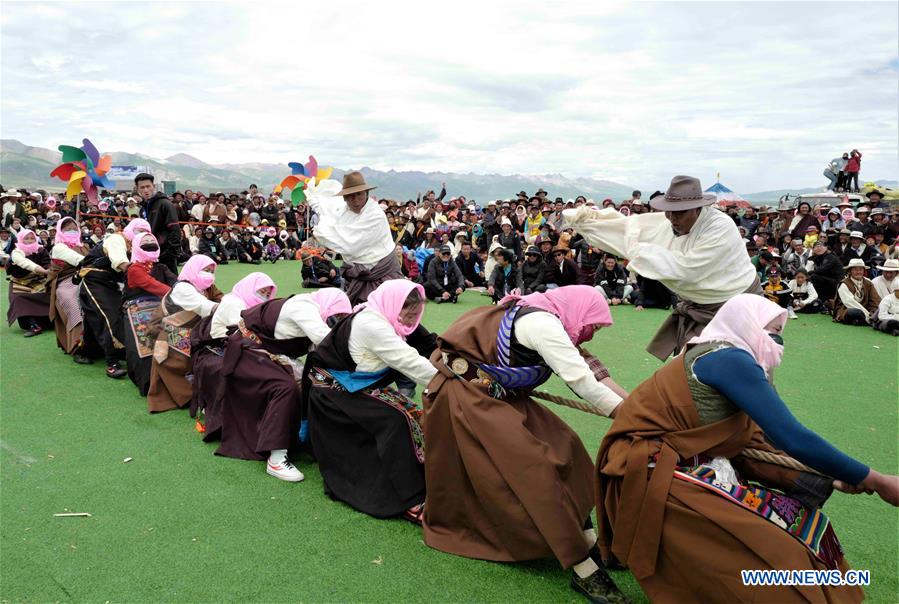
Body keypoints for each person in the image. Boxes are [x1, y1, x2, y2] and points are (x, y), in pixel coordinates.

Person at [598, 294, 898, 603]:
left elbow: (753, 441)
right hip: (652, 474)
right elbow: (791, 437)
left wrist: (829, 476)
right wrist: (877, 479)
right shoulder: (728, 359)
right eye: (770, 330)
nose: (777, 340)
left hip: (689, 465)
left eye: (781, 331)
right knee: (773, 550)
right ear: (746, 325)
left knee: (806, 526)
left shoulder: (726, 354)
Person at [422, 286, 628, 604]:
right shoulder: (543, 325)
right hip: (467, 397)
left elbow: (595, 373)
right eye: (595, 325)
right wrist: (631, 418)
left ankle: (585, 537)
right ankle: (583, 567)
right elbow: (583, 383)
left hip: (500, 397)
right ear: (580, 312)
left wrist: (639, 412)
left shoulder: (554, 319)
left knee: (566, 446)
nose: (592, 333)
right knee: (534, 469)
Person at [564, 175, 759, 360]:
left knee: (739, 371)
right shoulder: (673, 221)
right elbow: (633, 227)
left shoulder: (720, 228)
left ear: (698, 208)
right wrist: (590, 221)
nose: (673, 218)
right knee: (692, 372)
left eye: (680, 212)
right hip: (699, 305)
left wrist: (634, 249)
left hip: (736, 305)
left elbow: (685, 269)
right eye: (669, 211)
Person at [304, 280, 437, 520]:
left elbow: (425, 345)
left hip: (352, 388)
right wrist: (451, 383)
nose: (411, 321)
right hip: (333, 395)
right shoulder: (372, 324)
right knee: (397, 420)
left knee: (412, 411)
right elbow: (409, 362)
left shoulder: (384, 315)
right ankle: (410, 498)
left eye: (417, 315)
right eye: (409, 314)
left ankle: (426, 475)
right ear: (395, 306)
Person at [216, 288, 351, 480]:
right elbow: (325, 340)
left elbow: (320, 352)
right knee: (285, 387)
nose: (336, 320)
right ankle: (277, 459)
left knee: (311, 382)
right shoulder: (304, 307)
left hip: (265, 353)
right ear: (329, 305)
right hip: (247, 351)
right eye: (337, 314)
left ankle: (303, 439)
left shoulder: (313, 310)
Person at [191, 272, 277, 443]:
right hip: (221, 347)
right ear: (250, 287)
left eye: (268, 294)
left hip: (239, 344)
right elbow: (243, 333)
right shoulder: (234, 302)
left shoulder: (249, 303)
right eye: (262, 291)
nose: (265, 297)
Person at [308, 172, 402, 305]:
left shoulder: (375, 216)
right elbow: (328, 210)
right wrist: (314, 197)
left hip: (383, 271)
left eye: (359, 194)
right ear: (345, 198)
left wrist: (321, 233)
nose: (356, 200)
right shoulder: (344, 211)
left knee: (389, 310)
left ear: (366, 193)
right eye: (350, 196)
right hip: (357, 272)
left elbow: (351, 245)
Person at [146, 255, 222, 413]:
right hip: (167, 331)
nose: (209, 274)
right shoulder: (183, 288)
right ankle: (188, 394)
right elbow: (205, 306)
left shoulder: (206, 286)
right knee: (197, 344)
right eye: (205, 270)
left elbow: (220, 298)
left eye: (211, 271)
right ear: (193, 269)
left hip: (192, 329)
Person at [78, 218, 151, 378]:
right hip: (94, 280)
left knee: (99, 317)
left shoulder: (136, 245)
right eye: (139, 230)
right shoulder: (117, 239)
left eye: (146, 232)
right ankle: (112, 363)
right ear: (131, 229)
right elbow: (121, 262)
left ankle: (85, 351)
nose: (142, 234)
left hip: (113, 283)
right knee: (111, 316)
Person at [121, 232, 177, 395]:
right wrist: (178, 294)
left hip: (161, 305)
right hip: (136, 307)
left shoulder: (161, 266)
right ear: (137, 246)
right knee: (146, 342)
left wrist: (183, 288)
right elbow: (153, 285)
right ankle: (148, 382)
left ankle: (171, 379)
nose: (149, 244)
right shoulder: (134, 269)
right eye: (144, 242)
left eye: (152, 241)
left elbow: (175, 280)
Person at [47, 217, 90, 360]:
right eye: (67, 230)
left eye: (74, 229)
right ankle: (78, 348)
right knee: (74, 305)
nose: (72, 232)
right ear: (60, 231)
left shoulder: (84, 245)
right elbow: (79, 260)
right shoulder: (59, 247)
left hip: (88, 279)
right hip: (66, 283)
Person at [6, 228, 51, 337]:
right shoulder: (16, 252)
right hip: (20, 281)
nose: (30, 240)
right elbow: (24, 263)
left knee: (51, 293)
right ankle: (33, 325)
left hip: (39, 280)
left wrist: (48, 269)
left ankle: (51, 321)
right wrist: (43, 270)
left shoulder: (41, 250)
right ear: (21, 239)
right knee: (18, 298)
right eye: (26, 238)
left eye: (32, 238)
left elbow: (48, 264)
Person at [135, 173, 181, 273]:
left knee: (170, 285)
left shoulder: (165, 204)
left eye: (148, 186)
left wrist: (169, 253)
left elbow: (175, 230)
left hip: (165, 254)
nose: (146, 190)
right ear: (138, 190)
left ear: (153, 186)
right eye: (142, 187)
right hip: (148, 254)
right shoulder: (142, 209)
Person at [832, 259, 881, 326]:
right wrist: (868, 316)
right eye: (855, 270)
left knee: (878, 311)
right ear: (850, 271)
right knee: (854, 313)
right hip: (847, 309)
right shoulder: (844, 284)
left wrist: (875, 312)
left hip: (866, 310)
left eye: (860, 270)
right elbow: (849, 302)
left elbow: (875, 300)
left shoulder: (868, 282)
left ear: (864, 271)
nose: (858, 272)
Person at [806, 239, 843, 309]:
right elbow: (810, 260)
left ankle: (820, 301)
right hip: (828, 281)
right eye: (816, 247)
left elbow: (822, 269)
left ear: (826, 248)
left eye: (821, 246)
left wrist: (808, 273)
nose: (818, 248)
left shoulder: (830, 257)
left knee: (814, 277)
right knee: (812, 277)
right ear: (813, 249)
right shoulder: (819, 257)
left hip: (837, 283)